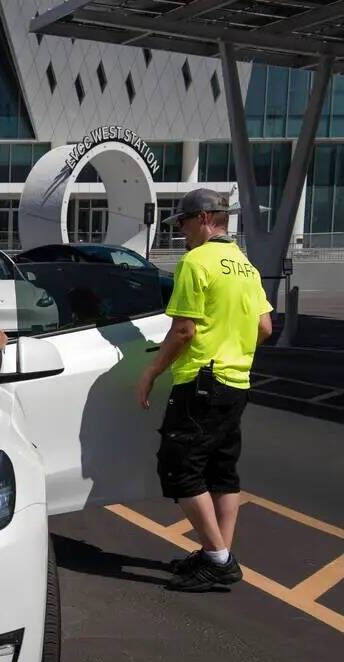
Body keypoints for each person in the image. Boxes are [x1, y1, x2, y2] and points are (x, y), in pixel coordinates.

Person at [135, 189, 274, 592]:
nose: (180, 231)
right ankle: (219, 554)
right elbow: (265, 328)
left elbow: (183, 329)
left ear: (202, 219)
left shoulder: (196, 263)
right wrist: (234, 348)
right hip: (237, 381)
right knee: (221, 469)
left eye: (181, 223)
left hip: (201, 380)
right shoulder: (245, 266)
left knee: (180, 466)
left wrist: (151, 373)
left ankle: (216, 558)